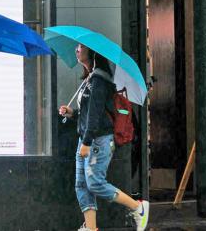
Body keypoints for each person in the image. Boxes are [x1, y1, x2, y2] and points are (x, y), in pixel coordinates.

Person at [59, 43, 149, 231]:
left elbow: (95, 116)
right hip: (86, 139)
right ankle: (91, 228)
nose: (77, 50)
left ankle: (138, 207)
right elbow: (89, 112)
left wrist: (86, 142)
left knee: (95, 183)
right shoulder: (90, 78)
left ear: (91, 52)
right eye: (75, 46)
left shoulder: (100, 79)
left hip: (96, 140)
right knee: (81, 185)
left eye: (80, 47)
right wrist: (72, 113)